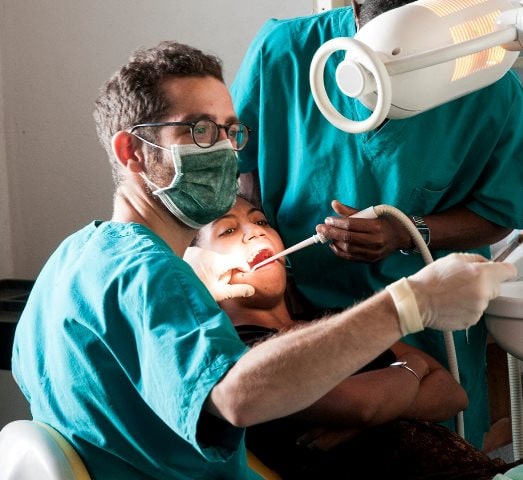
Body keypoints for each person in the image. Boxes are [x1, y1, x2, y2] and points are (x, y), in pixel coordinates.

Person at [10, 41, 516, 480]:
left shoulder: (71, 263)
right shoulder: (151, 274)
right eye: (200, 130)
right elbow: (237, 397)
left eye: (232, 131)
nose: (226, 150)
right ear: (133, 152)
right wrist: (410, 303)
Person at [230, 0, 523, 448]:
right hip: (302, 314)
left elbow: (499, 211)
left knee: (433, 447)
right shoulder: (284, 54)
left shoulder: (487, 82)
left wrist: (410, 232)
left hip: (426, 328)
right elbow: (237, 173)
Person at [190, 195, 522, 479]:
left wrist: (384, 406)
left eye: (260, 221)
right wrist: (413, 369)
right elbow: (360, 406)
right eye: (229, 230)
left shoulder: (334, 320)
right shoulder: (243, 355)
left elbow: (452, 394)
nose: (254, 232)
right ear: (199, 272)